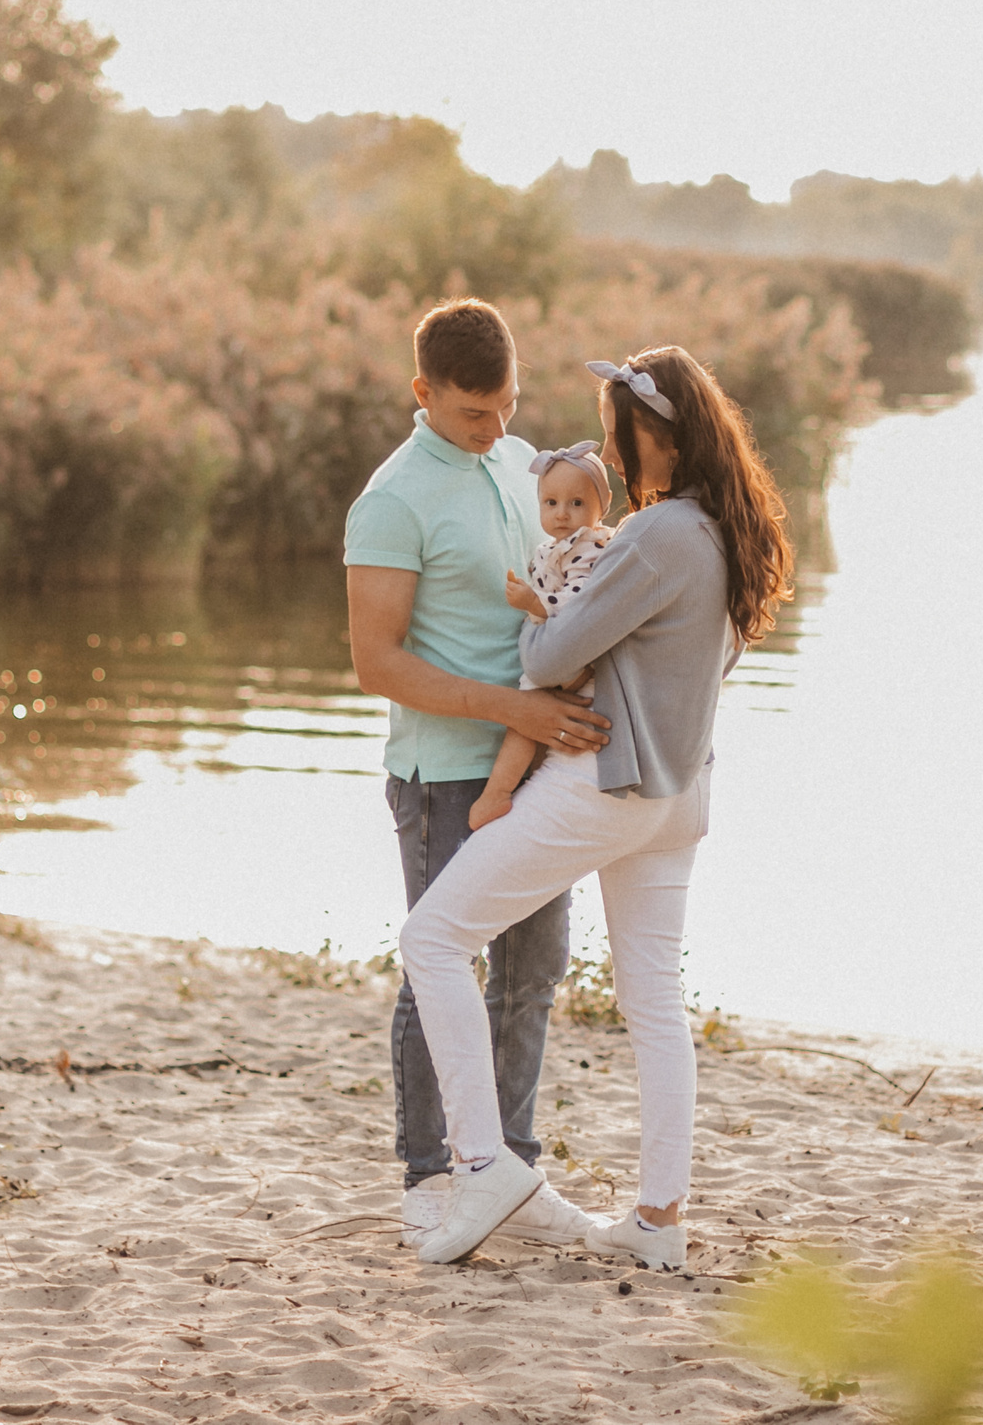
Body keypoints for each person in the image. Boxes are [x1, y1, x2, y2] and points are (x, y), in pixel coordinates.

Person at [396, 346, 795, 1271]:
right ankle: (658, 1220)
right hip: (683, 793)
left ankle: (483, 1163)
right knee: (655, 1000)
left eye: (623, 440)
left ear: (661, 436)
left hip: (608, 785)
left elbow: (545, 662)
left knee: (434, 938)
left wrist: (538, 611)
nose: (615, 461)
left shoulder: (658, 537)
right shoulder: (729, 534)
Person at [341, 299, 613, 1250]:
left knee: (532, 973)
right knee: (439, 965)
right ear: (423, 393)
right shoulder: (392, 499)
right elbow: (378, 664)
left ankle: (512, 1168)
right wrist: (515, 711)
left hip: (536, 764)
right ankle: (429, 1175)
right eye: (472, 413)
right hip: (444, 775)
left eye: (507, 405)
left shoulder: (524, 462)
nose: (495, 429)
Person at [468, 440, 614, 832]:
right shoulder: (552, 547)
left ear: (603, 505)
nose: (562, 514)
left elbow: (581, 599)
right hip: (555, 646)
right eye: (550, 503)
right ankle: (523, 784)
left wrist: (535, 602)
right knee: (538, 719)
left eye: (576, 504)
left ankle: (497, 792)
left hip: (575, 648)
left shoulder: (593, 547)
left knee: (527, 716)